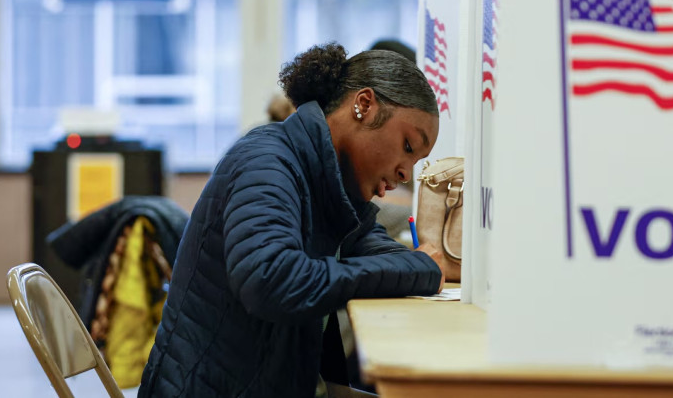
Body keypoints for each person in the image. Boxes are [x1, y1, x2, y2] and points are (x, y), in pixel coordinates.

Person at [138, 43, 445, 398]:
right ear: (363, 105)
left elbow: (376, 247)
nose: (406, 174)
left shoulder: (331, 180)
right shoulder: (267, 161)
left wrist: (420, 268)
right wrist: (418, 269)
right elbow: (271, 280)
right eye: (408, 146)